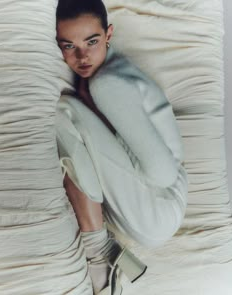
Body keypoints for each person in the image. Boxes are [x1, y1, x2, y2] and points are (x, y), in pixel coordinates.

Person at [56, 0, 189, 294]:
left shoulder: (107, 84)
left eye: (91, 42)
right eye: (68, 46)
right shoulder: (108, 75)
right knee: (73, 159)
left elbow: (163, 174)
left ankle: (99, 255)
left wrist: (97, 113)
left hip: (160, 206)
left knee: (62, 112)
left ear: (109, 34)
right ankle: (105, 254)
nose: (82, 56)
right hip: (150, 209)